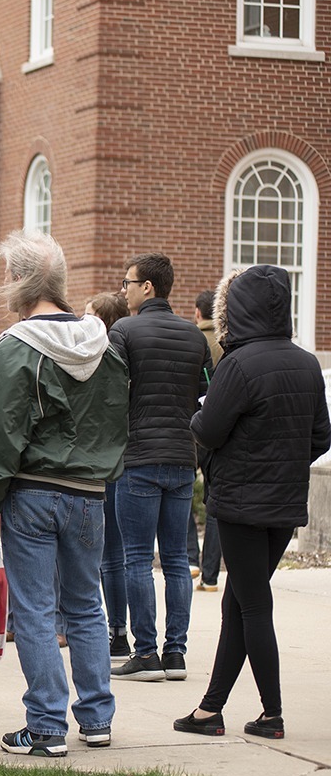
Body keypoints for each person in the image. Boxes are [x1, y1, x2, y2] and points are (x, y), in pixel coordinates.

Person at [0, 230, 128, 758]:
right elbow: (117, 421)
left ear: (20, 281)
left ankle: (46, 727)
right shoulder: (105, 345)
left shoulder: (15, 348)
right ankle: (97, 718)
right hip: (88, 492)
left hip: (33, 492)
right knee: (85, 606)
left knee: (35, 610)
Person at [174, 265, 330, 740]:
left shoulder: (236, 365)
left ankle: (272, 714)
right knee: (239, 603)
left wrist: (202, 416)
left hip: (241, 503)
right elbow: (321, 435)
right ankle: (210, 709)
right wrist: (285, 461)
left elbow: (207, 430)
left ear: (236, 310)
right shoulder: (307, 363)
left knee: (253, 605)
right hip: (283, 504)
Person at [109, 253, 213, 683]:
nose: (124, 289)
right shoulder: (195, 338)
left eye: (128, 282)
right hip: (182, 459)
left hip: (139, 459)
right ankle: (176, 654)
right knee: (174, 559)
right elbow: (205, 395)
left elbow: (110, 395)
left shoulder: (124, 331)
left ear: (147, 287)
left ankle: (145, 653)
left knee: (136, 558)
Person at [85, 292, 132, 661]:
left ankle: (117, 633)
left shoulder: (107, 357)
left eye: (90, 316)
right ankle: (119, 632)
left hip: (110, 461)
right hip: (117, 458)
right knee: (114, 553)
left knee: (111, 554)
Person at [188, 287, 225, 592]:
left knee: (183, 493)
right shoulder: (228, 343)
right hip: (221, 431)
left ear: (197, 313)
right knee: (214, 501)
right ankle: (211, 576)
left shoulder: (192, 340)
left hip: (192, 428)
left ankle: (190, 558)